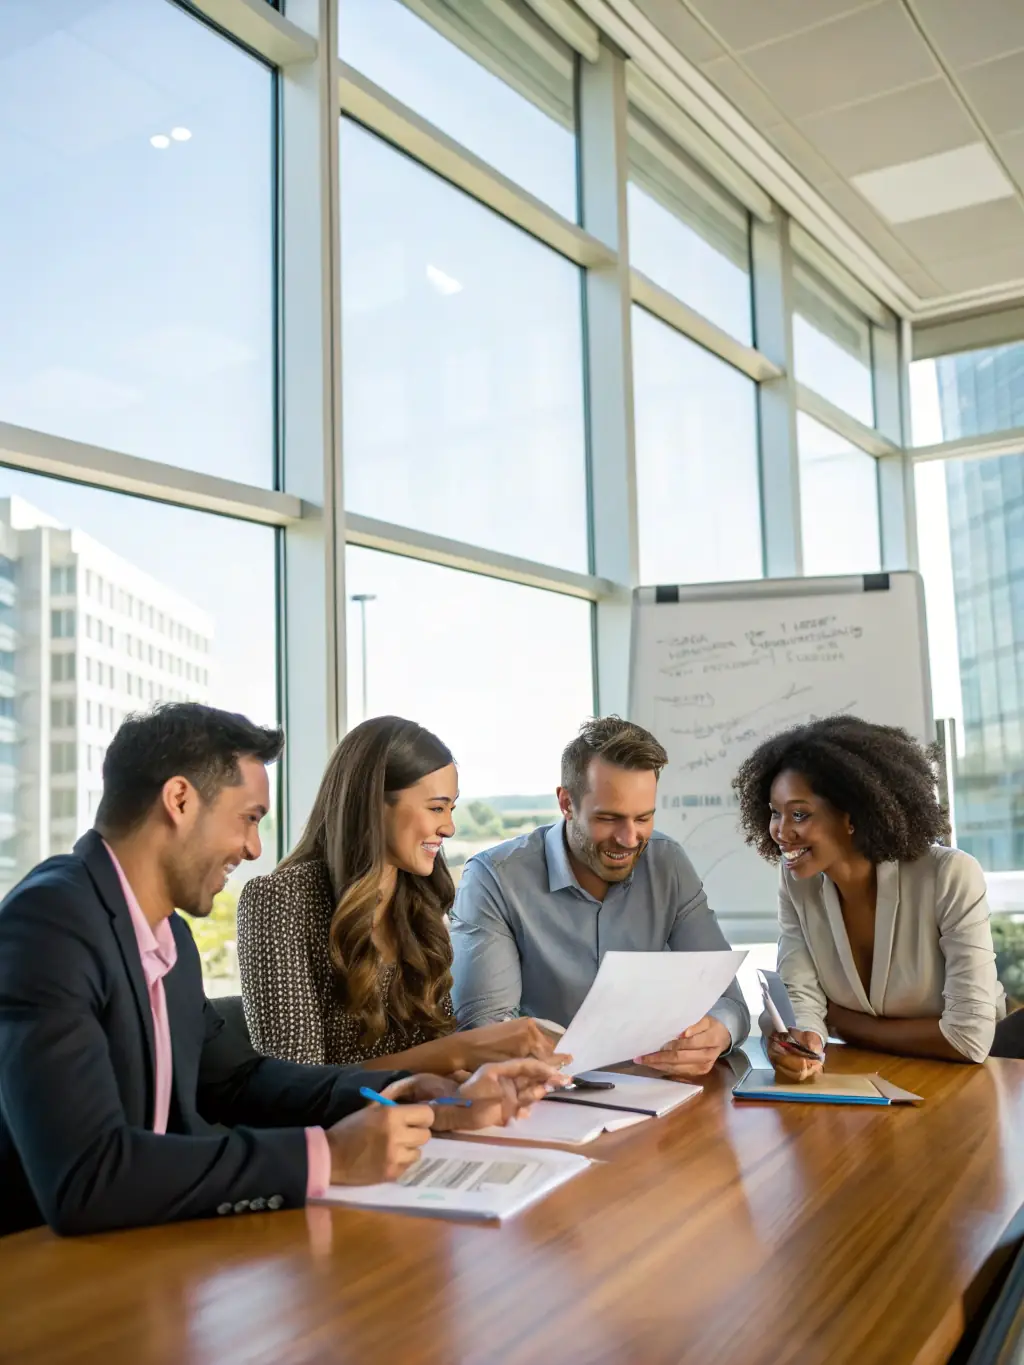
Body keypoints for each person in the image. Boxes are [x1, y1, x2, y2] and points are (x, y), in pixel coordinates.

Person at [0, 704, 563, 1238]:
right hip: (48, 1268)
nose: (251, 848)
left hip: (151, 1243)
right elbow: (87, 1177)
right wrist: (328, 1156)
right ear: (179, 800)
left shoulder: (168, 936)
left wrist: (415, 1098)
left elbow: (239, 1080)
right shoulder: (51, 923)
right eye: (248, 819)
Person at [238, 716, 561, 1072]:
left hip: (427, 1121)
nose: (449, 827)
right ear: (374, 803)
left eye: (451, 809)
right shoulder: (279, 900)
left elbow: (440, 1063)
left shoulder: (418, 898)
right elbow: (294, 1085)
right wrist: (458, 1052)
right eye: (436, 808)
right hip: (340, 1128)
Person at [450, 717, 750, 1078]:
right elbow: (484, 1033)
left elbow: (729, 1002)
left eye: (643, 818)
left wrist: (716, 1032)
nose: (629, 838)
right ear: (566, 803)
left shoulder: (667, 863)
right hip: (545, 1099)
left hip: (655, 1092)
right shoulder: (493, 878)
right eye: (608, 818)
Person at [732, 716, 1006, 1081]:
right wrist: (807, 1039)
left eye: (799, 814)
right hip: (868, 1078)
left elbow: (968, 1038)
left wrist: (840, 1023)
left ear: (852, 816)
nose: (781, 831)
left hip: (971, 1081)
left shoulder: (949, 875)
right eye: (774, 813)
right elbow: (799, 996)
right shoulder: (799, 880)